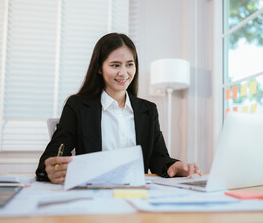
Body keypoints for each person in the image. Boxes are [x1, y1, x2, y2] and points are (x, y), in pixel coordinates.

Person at [36, 33, 201, 184]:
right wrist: (51, 169)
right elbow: (52, 158)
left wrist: (174, 166)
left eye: (129, 64)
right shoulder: (78, 106)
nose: (124, 73)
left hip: (137, 195)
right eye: (115, 65)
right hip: (95, 194)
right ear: (99, 68)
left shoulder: (148, 110)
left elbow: (158, 158)